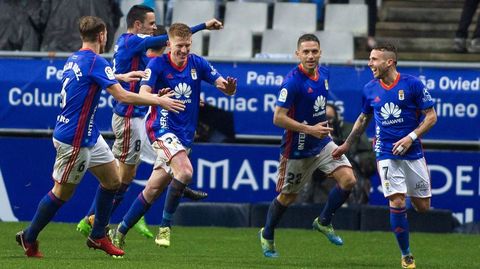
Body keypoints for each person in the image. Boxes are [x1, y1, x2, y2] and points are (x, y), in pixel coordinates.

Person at [15, 16, 185, 258]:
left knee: (113, 181)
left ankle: (97, 235)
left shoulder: (76, 58)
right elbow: (123, 97)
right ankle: (29, 237)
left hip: (89, 135)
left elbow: (89, 79)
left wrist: (121, 77)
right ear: (102, 35)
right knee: (62, 193)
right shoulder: (96, 61)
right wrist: (159, 100)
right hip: (74, 139)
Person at [76, 5, 219, 239]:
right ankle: (93, 220)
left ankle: (175, 184)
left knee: (150, 169)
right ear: (138, 25)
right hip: (129, 117)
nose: (154, 28)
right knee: (123, 178)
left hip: (138, 114)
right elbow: (168, 38)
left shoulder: (136, 48)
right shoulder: (131, 40)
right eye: (151, 23)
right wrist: (202, 26)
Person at [108, 22, 237, 250]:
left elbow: (223, 86)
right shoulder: (157, 64)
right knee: (185, 171)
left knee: (153, 189)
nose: (184, 50)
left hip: (185, 134)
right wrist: (160, 97)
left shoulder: (197, 63)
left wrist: (229, 89)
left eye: (187, 45)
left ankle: (120, 231)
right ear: (169, 44)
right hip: (161, 128)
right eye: (179, 46)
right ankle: (165, 228)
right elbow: (142, 93)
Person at [332, 44, 437, 269]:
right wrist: (347, 144)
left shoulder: (413, 85)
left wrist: (411, 137)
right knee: (397, 200)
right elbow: (362, 119)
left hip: (412, 151)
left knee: (422, 207)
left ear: (389, 62)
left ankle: (404, 210)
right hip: (385, 151)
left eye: (374, 59)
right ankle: (406, 255)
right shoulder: (370, 89)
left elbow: (431, 117)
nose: (370, 63)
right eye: (370, 59)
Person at [258, 33, 357, 258]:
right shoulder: (292, 82)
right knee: (288, 197)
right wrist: (310, 129)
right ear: (298, 54)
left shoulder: (324, 74)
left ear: (320, 52)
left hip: (322, 143)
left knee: (349, 180)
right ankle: (267, 233)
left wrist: (318, 129)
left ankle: (323, 221)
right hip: (297, 149)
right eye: (306, 52)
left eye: (314, 51)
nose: (310, 56)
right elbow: (278, 118)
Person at [297, 103, 375, 205]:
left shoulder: (351, 132)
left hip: (348, 180)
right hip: (319, 184)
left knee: (348, 175)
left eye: (329, 118)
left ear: (337, 119)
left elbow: (370, 162)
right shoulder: (307, 135)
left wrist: (344, 154)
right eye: (322, 119)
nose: (326, 123)